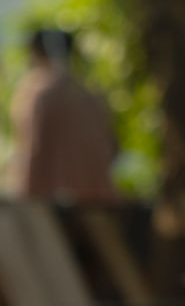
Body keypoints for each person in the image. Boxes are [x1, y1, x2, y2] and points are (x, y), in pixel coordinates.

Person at [10, 29, 118, 201]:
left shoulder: (39, 93)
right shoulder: (91, 94)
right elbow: (112, 148)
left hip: (56, 205)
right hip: (98, 200)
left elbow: (34, 151)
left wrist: (25, 200)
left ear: (36, 53)